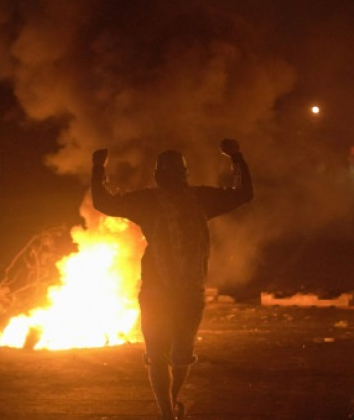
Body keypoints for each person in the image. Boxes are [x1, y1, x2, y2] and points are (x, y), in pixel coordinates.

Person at [91, 139, 253, 420]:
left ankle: (166, 413)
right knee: (181, 357)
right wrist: (236, 157)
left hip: (157, 291)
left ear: (157, 175)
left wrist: (97, 168)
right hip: (190, 291)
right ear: (185, 175)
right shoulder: (201, 198)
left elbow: (103, 201)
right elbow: (244, 194)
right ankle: (171, 406)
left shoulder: (147, 201)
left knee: (158, 356)